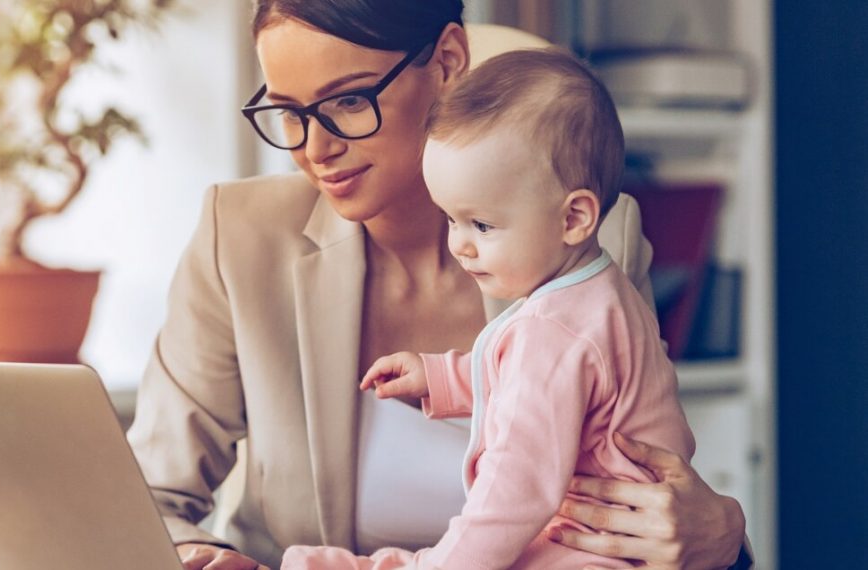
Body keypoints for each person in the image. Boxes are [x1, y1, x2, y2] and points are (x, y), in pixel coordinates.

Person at [126, 1, 749, 569]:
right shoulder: (237, 237)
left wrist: (722, 537)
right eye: (289, 112)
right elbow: (145, 499)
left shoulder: (582, 246)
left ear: (448, 61)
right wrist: (200, 557)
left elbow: (644, 473)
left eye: (348, 101)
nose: (314, 148)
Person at [280, 47, 696, 570]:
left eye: (481, 225)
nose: (460, 244)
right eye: (450, 219)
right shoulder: (602, 294)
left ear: (574, 218)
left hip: (592, 548)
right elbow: (540, 387)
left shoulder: (552, 330)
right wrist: (439, 377)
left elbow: (516, 492)